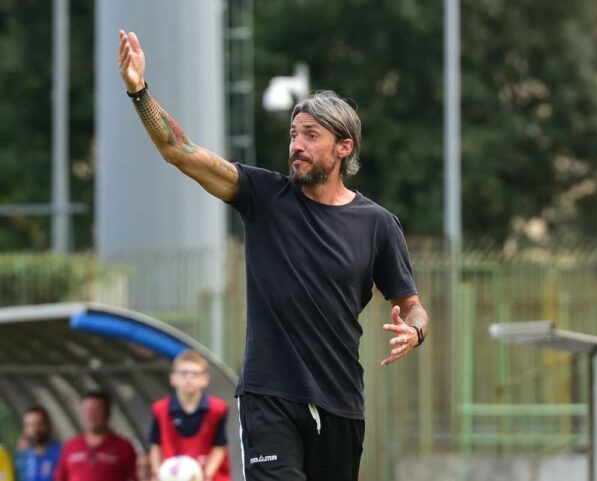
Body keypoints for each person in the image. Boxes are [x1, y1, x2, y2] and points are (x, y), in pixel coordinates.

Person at [118, 29, 429, 481]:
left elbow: (412, 305)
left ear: (344, 148)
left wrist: (415, 331)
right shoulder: (263, 195)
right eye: (293, 134)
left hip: (340, 400)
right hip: (268, 396)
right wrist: (139, 92)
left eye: (311, 135)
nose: (296, 145)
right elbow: (179, 151)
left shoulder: (377, 224)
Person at [149, 350, 229, 481]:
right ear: (173, 378)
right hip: (172, 475)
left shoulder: (218, 409)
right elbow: (155, 445)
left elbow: (219, 446)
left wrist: (206, 475)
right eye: (184, 373)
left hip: (206, 475)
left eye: (195, 373)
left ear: (205, 379)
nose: (189, 378)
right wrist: (157, 472)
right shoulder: (160, 409)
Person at [54, 391, 137, 481]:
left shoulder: (123, 447)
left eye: (97, 409)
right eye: (88, 409)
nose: (92, 414)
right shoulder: (71, 446)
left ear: (108, 413)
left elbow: (135, 476)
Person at [14, 406, 60, 481]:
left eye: (39, 423)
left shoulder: (60, 454)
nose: (34, 429)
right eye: (28, 425)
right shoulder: (20, 457)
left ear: (48, 426)